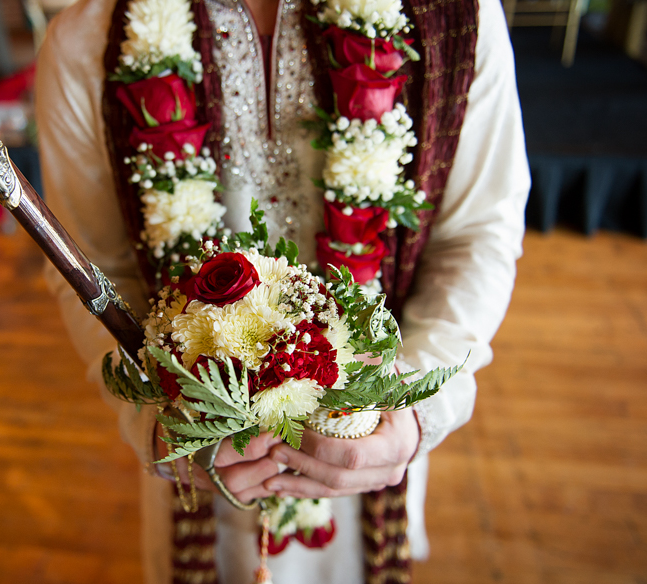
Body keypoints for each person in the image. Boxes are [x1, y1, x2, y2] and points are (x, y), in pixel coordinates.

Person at [35, 0, 530, 580]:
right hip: (199, 460)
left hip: (371, 441)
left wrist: (417, 408)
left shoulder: (456, 16)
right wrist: (157, 424)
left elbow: (477, 235)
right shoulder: (87, 38)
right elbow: (94, 270)